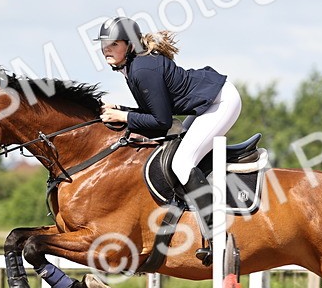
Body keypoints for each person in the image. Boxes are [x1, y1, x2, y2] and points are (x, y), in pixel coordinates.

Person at [97, 16, 242, 264]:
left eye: (113, 44)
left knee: (182, 162)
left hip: (220, 102)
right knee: (176, 153)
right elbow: (156, 113)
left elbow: (162, 122)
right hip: (205, 105)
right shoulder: (133, 67)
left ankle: (218, 239)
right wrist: (122, 109)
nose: (106, 50)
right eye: (103, 45)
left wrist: (123, 115)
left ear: (129, 44)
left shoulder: (141, 69)